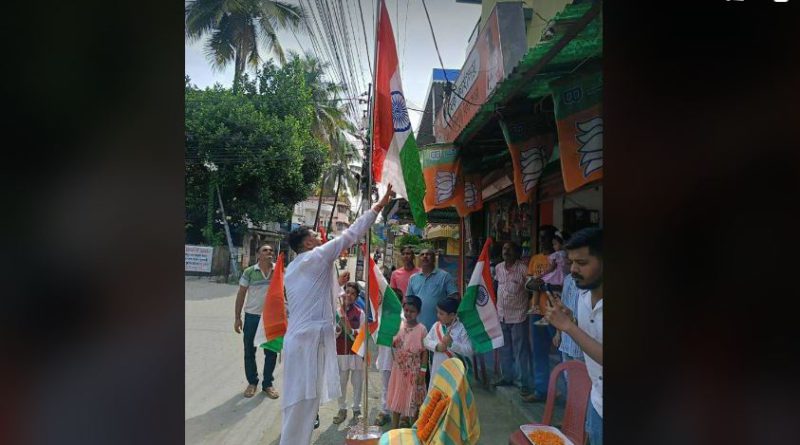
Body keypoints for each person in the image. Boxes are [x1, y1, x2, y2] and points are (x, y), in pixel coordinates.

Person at [278, 184, 393, 445]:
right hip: (308, 341)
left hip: (299, 339)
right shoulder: (316, 257)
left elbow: (312, 296)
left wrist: (337, 286)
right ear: (308, 243)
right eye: (315, 236)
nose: (321, 237)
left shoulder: (295, 267)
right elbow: (351, 234)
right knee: (304, 400)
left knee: (299, 398)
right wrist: (379, 205)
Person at [545, 227, 603, 445]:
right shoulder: (584, 298)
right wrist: (573, 320)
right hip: (597, 402)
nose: (574, 270)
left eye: (583, 263)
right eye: (571, 263)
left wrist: (568, 326)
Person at [234, 243, 279, 399]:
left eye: (271, 250)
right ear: (258, 255)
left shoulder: (279, 271)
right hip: (252, 316)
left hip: (271, 318)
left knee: (271, 352)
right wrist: (237, 317)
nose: (269, 252)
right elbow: (241, 294)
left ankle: (268, 384)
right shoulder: (250, 272)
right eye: (265, 250)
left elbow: (286, 293)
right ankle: (252, 382)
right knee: (249, 351)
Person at [491, 242, 533, 398]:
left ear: (517, 252)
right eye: (504, 248)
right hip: (501, 314)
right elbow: (497, 287)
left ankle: (524, 383)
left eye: (510, 249)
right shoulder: (498, 268)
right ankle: (507, 377)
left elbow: (529, 290)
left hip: (518, 316)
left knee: (521, 350)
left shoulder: (523, 269)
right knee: (504, 348)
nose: (506, 251)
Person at [386, 295, 428, 429]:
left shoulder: (422, 329)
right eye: (406, 310)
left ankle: (413, 431)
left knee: (413, 401)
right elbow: (392, 342)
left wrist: (423, 372)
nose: (408, 314)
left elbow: (425, 352)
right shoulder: (398, 325)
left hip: (414, 371)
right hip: (398, 370)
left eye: (412, 311)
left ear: (418, 312)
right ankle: (394, 429)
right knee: (397, 398)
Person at [423, 297, 473, 392]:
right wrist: (437, 346)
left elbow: (469, 350)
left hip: (454, 372)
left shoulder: (462, 329)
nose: (438, 315)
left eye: (441, 314)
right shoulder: (437, 326)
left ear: (452, 315)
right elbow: (426, 341)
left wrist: (452, 344)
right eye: (437, 312)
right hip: (437, 370)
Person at [333, 282, 365, 424]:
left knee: (357, 382)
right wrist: (339, 327)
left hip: (356, 352)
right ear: (343, 293)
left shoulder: (360, 313)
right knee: (341, 382)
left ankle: (357, 408)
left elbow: (363, 334)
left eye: (353, 293)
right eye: (347, 292)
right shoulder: (336, 312)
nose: (349, 296)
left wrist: (351, 330)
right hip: (340, 352)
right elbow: (331, 334)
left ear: (357, 297)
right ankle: (342, 408)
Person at [406, 249, 459, 331]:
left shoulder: (445, 276)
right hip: (417, 327)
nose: (425, 256)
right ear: (419, 259)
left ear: (434, 258)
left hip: (439, 328)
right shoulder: (413, 278)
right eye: (422, 254)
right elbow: (408, 301)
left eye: (428, 254)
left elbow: (455, 297)